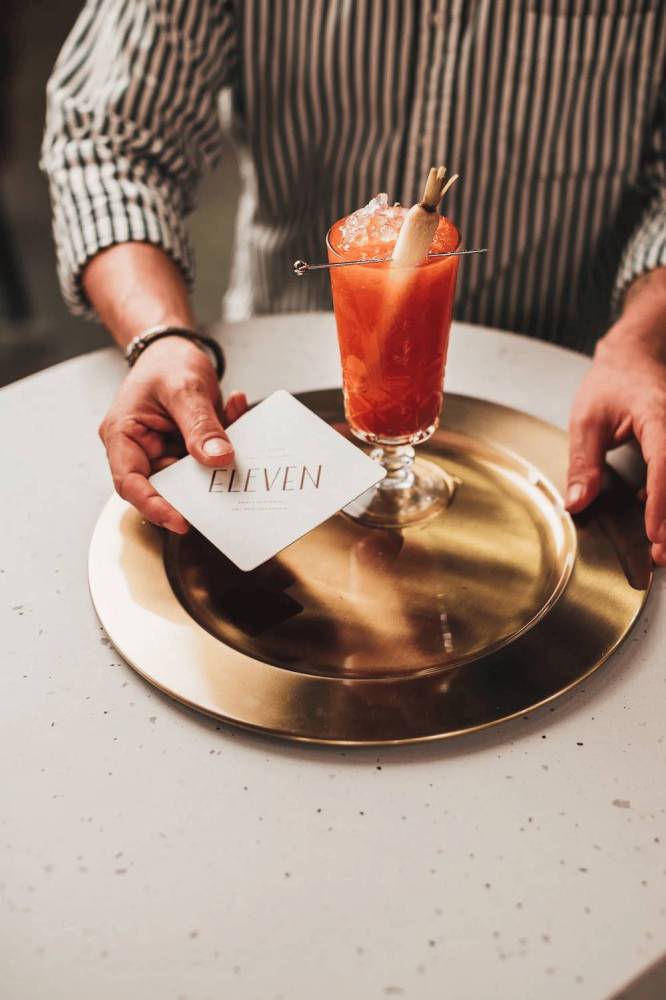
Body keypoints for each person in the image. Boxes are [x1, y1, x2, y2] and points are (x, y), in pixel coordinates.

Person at [42, 0, 666, 564]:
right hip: (274, 369)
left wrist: (642, 340)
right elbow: (108, 138)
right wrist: (162, 336)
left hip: (560, 390)